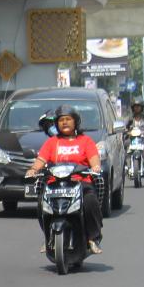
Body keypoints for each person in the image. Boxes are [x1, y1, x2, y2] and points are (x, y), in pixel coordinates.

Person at [25, 104, 103, 253]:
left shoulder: (86, 141)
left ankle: (93, 238)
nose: (65, 122)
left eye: (68, 119)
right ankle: (48, 236)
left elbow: (94, 160)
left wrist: (95, 167)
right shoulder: (51, 142)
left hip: (80, 183)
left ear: (76, 122)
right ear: (56, 124)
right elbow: (40, 161)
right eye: (61, 120)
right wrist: (33, 170)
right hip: (55, 183)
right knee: (42, 203)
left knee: (90, 202)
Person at [125, 99, 144, 172]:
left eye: (138, 106)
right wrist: (126, 131)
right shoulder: (130, 117)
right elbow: (123, 126)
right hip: (131, 139)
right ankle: (125, 165)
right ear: (133, 107)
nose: (137, 108)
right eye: (135, 106)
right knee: (120, 146)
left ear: (142, 107)